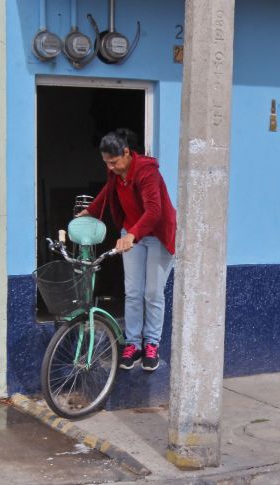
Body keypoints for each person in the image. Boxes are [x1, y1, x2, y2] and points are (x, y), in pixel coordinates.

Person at [77, 129, 176, 371]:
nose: (110, 168)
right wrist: (88, 211)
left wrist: (132, 234)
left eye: (114, 162)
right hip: (132, 235)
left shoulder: (146, 171)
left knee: (152, 293)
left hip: (158, 235)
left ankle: (151, 344)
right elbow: (106, 193)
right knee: (132, 292)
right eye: (106, 163)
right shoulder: (116, 173)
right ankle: (133, 344)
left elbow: (154, 210)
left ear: (127, 153)